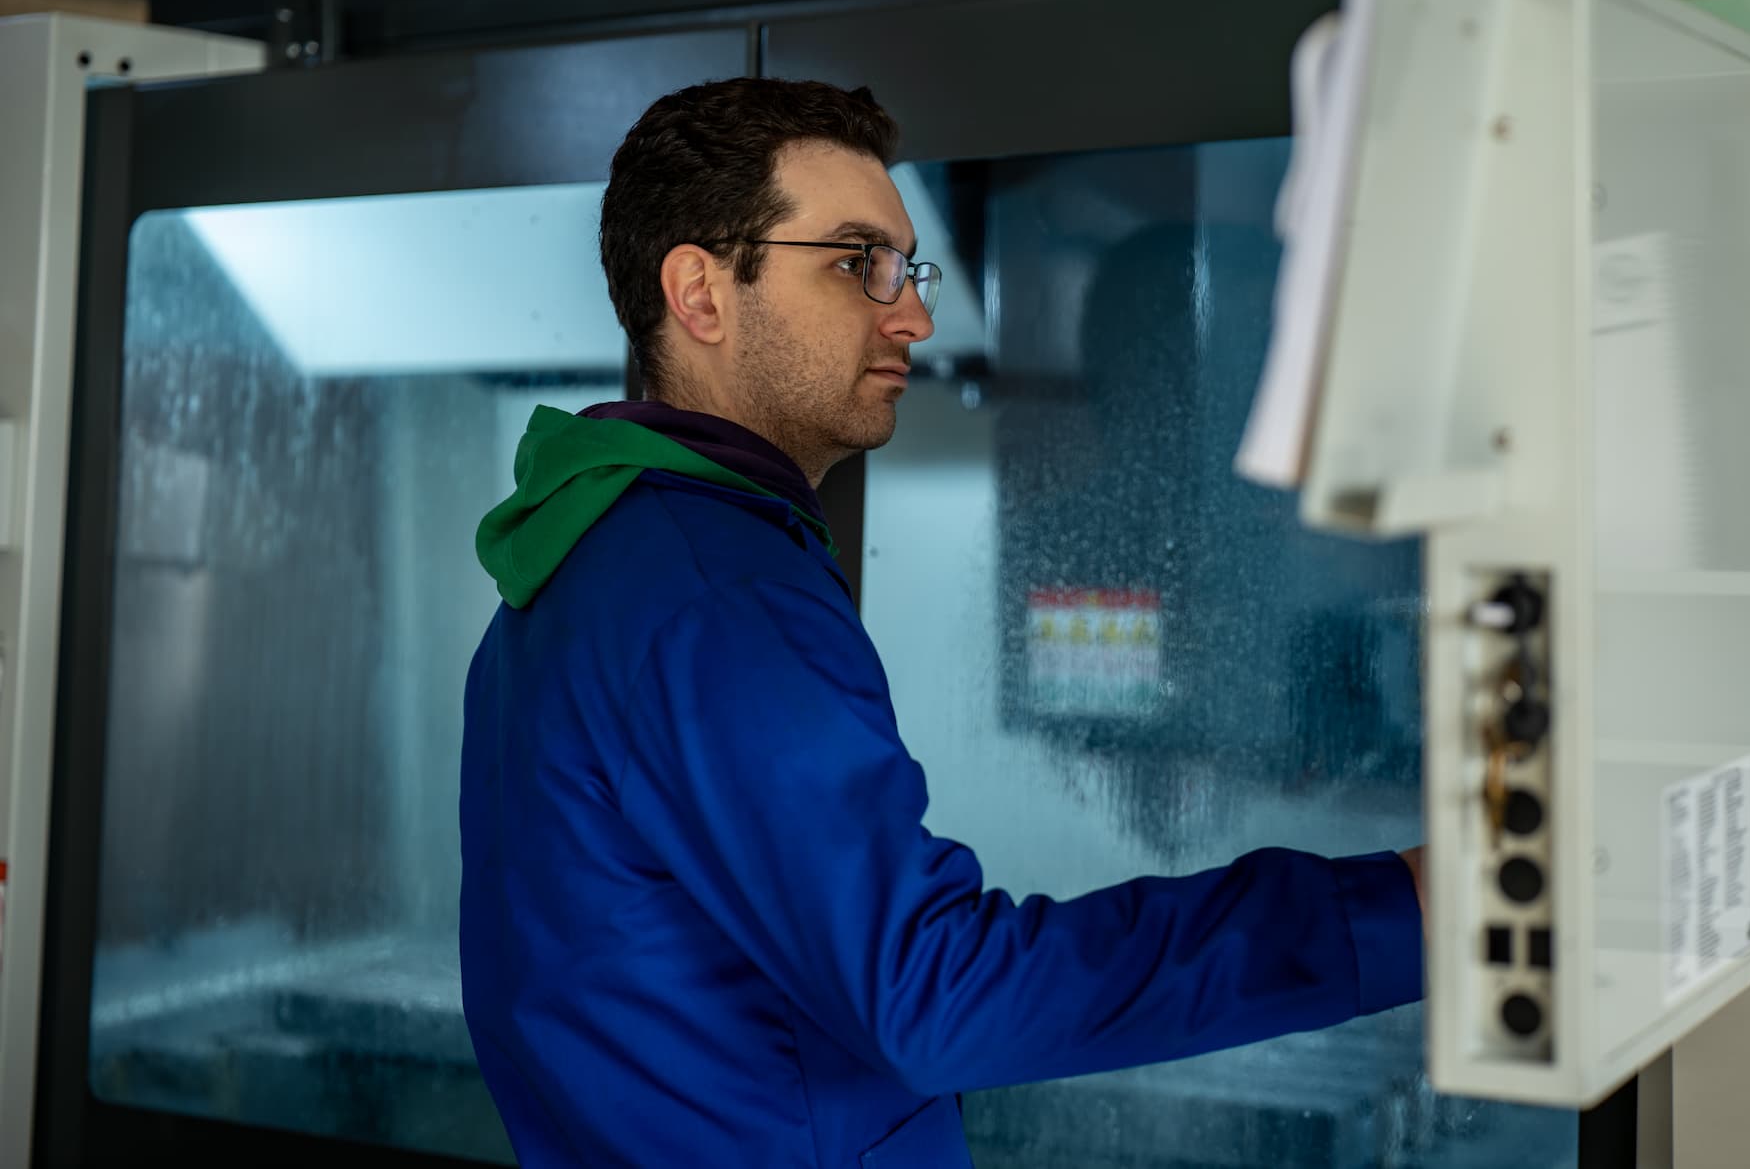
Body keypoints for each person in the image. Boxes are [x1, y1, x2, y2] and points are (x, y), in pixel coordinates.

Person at [459, 77, 1426, 1169]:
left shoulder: (584, 560)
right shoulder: (718, 596)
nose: (910, 313)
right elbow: (935, 997)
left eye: (905, 268)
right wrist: (1394, 911)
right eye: (854, 261)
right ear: (700, 292)